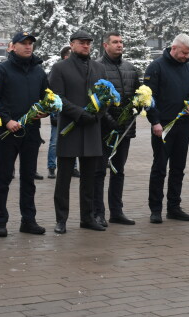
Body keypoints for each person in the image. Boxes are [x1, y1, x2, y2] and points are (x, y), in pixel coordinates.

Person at [0, 31, 49, 237]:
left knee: (28, 177)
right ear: (12, 47)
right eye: (23, 43)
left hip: (31, 132)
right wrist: (6, 120)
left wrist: (45, 111)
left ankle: (28, 220)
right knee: (4, 176)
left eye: (31, 43)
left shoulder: (39, 71)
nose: (28, 46)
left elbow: (46, 97)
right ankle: (0, 221)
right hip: (8, 132)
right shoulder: (1, 70)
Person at [49, 30, 109, 233]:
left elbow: (106, 95)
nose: (86, 46)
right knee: (64, 178)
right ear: (72, 44)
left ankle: (87, 217)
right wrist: (79, 113)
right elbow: (57, 97)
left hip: (92, 128)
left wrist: (97, 114)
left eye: (88, 43)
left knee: (90, 178)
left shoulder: (99, 68)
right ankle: (61, 219)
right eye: (81, 43)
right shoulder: (60, 68)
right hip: (70, 128)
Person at [144, 34, 189, 223]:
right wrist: (155, 122)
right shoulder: (156, 67)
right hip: (163, 126)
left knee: (178, 168)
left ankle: (174, 207)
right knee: (160, 168)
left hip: (183, 126)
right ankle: (156, 209)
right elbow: (148, 98)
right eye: (184, 53)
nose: (186, 56)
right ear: (174, 48)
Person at [95, 32, 140, 226]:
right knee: (99, 172)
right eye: (115, 42)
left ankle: (117, 211)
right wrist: (109, 120)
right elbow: (95, 99)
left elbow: (137, 96)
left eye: (121, 42)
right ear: (106, 45)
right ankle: (98, 212)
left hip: (125, 130)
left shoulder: (130, 68)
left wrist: (139, 107)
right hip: (104, 129)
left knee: (118, 170)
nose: (119, 45)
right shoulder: (96, 68)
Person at [47, 46, 71, 179]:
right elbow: (52, 93)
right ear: (65, 57)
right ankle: (51, 166)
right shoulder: (57, 70)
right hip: (58, 112)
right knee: (55, 141)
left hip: (72, 112)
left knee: (74, 140)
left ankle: (73, 168)